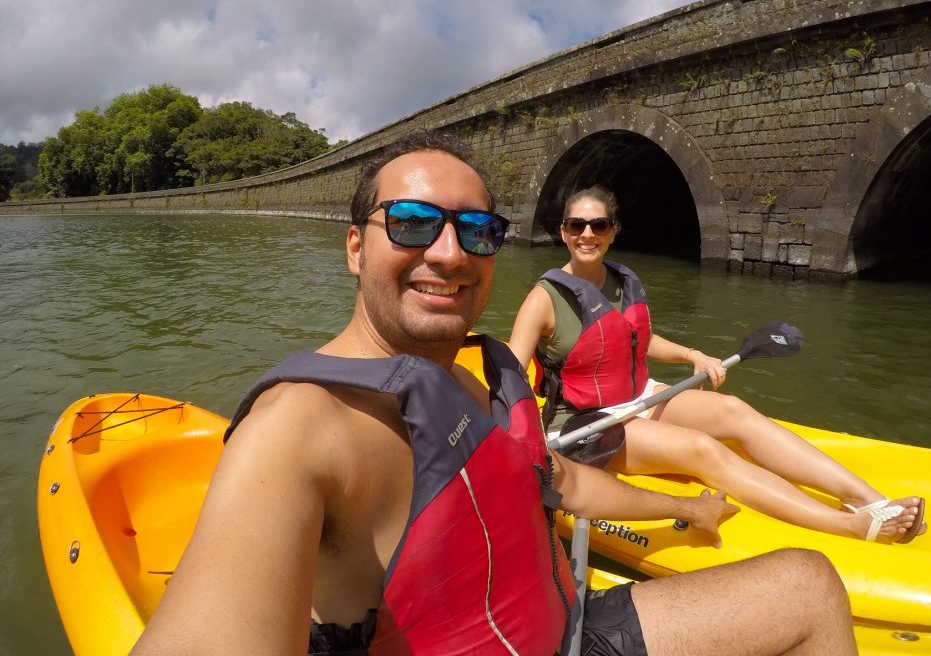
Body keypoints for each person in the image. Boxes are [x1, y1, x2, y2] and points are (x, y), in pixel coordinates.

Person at [130, 131, 858, 656]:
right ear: (356, 246)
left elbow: (560, 478)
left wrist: (684, 505)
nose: (448, 252)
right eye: (412, 223)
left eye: (476, 231)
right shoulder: (296, 430)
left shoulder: (472, 382)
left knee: (807, 586)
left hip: (568, 627)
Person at [509, 185, 926, 544]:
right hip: (583, 423)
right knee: (701, 449)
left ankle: (870, 499)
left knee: (734, 411)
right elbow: (509, 371)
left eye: (598, 225)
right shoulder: (544, 298)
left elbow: (635, 338)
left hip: (637, 395)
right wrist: (522, 439)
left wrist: (692, 354)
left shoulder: (621, 280)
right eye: (576, 225)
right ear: (563, 231)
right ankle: (848, 525)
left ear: (612, 231)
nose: (587, 234)